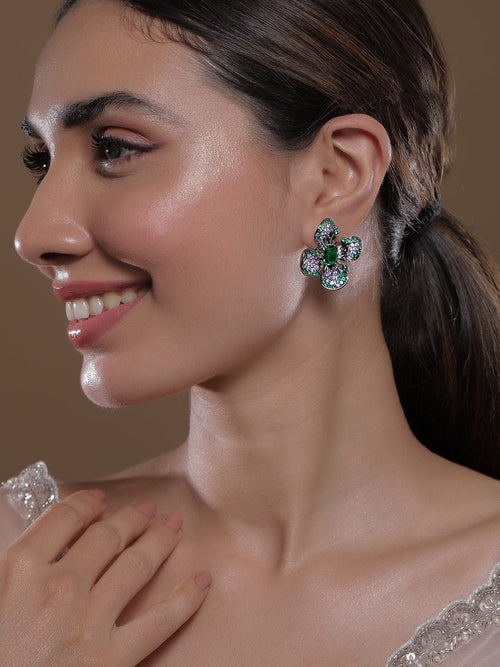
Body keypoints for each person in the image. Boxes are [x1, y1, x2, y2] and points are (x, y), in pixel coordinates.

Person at [1, 0, 499, 664]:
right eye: (41, 160)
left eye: (115, 148)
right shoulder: (18, 565)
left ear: (337, 175)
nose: (34, 235)